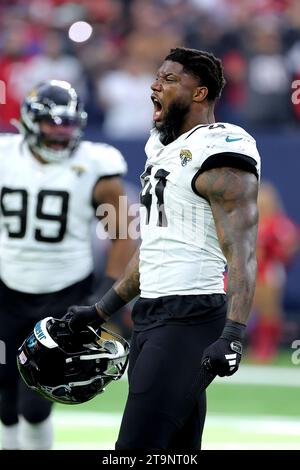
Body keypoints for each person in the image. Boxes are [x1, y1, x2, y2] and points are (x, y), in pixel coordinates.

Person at [64, 47, 261, 450]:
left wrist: (235, 332)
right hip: (152, 314)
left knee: (134, 451)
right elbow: (154, 248)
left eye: (170, 80)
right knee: (175, 449)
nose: (155, 85)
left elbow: (241, 249)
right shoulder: (162, 149)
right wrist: (100, 310)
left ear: (201, 94)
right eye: (157, 77)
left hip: (190, 317)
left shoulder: (221, 146)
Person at [0, 80, 135, 450]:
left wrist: (104, 294)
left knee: (37, 397)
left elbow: (123, 231)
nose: (61, 132)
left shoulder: (96, 165)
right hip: (6, 288)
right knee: (4, 398)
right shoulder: (5, 155)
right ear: (29, 121)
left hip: (65, 291)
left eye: (68, 124)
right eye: (52, 123)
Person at [249, 182, 299, 362]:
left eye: (266, 200)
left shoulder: (279, 223)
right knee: (247, 309)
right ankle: (251, 344)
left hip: (270, 271)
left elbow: (290, 243)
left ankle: (267, 347)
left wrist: (277, 250)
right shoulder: (249, 222)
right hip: (251, 270)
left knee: (269, 310)